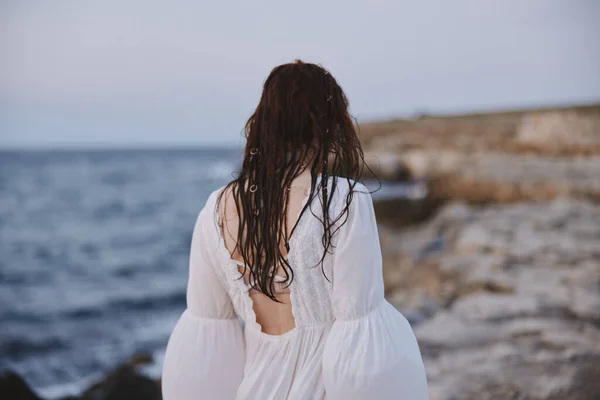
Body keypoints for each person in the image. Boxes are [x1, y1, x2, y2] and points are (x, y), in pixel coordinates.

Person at [161, 60, 429, 399]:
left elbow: (207, 343)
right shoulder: (346, 199)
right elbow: (359, 336)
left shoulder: (214, 209)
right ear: (327, 123)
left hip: (255, 388)